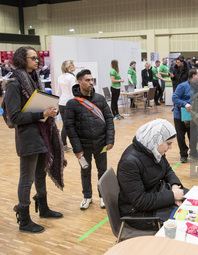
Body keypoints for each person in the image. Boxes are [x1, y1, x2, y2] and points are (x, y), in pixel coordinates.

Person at [5, 46, 65, 233]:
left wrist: (49, 111)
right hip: (28, 137)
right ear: (22, 60)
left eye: (37, 57)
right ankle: (24, 220)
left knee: (40, 173)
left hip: (42, 133)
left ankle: (44, 208)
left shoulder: (35, 78)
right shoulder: (15, 83)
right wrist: (42, 112)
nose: (37, 60)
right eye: (33, 58)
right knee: (27, 178)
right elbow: (14, 117)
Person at [117, 119, 186, 230]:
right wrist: (172, 196)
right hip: (138, 213)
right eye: (168, 144)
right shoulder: (129, 163)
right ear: (157, 139)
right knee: (184, 220)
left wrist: (174, 185)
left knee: (189, 200)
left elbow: (167, 170)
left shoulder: (154, 149)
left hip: (155, 196)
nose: (170, 148)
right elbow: (140, 201)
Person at [65, 69, 115, 210]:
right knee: (85, 171)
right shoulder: (72, 104)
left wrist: (110, 139)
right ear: (79, 82)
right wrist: (77, 148)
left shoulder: (99, 98)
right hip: (83, 145)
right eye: (87, 80)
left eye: (92, 80)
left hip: (101, 143)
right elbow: (70, 128)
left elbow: (109, 119)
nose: (91, 83)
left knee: (102, 170)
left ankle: (102, 196)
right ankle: (87, 196)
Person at [172, 68, 198, 163]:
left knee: (193, 136)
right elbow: (174, 98)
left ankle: (193, 152)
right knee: (181, 137)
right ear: (194, 76)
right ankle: (183, 154)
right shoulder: (182, 86)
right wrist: (185, 104)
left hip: (193, 116)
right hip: (180, 116)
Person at [57, 60, 76, 152]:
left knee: (65, 125)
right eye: (72, 65)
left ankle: (63, 145)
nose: (74, 66)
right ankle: (68, 145)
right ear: (69, 67)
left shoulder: (60, 77)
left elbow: (58, 92)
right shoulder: (71, 78)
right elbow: (73, 92)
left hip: (62, 103)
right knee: (69, 125)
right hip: (69, 103)